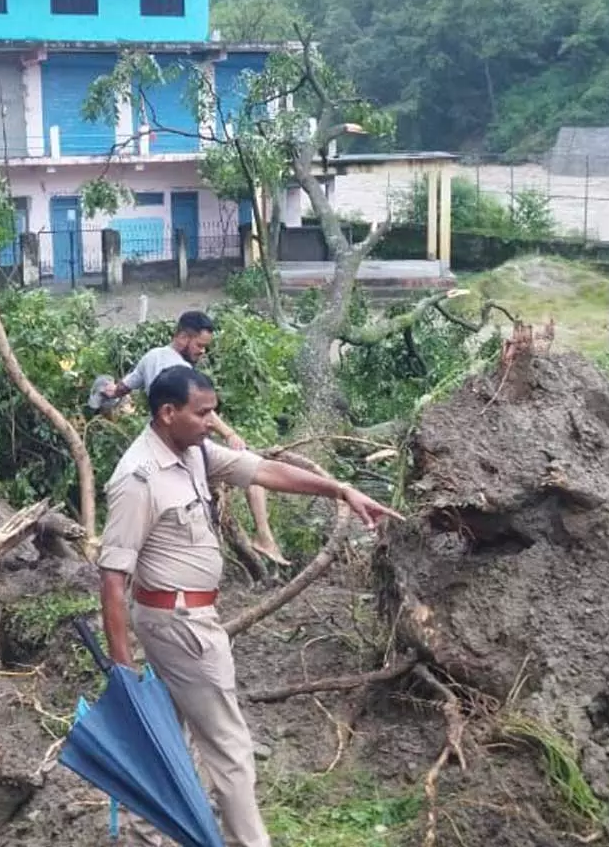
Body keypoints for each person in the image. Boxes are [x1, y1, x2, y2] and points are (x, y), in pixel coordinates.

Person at [97, 366, 402, 847]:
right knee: (230, 746)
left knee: (166, 737)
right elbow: (112, 579)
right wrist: (123, 673)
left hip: (181, 618)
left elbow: (262, 470)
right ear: (167, 412)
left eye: (213, 410)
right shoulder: (139, 478)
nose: (211, 421)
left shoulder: (192, 451)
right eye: (203, 412)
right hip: (180, 626)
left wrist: (340, 489)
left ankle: (146, 837)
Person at [103, 311, 289, 565]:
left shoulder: (151, 357)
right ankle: (264, 536)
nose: (203, 351)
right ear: (182, 337)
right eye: (200, 345)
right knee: (252, 471)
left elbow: (123, 387)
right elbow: (204, 413)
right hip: (186, 443)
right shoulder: (178, 371)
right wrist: (230, 434)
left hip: (162, 440)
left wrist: (107, 391)